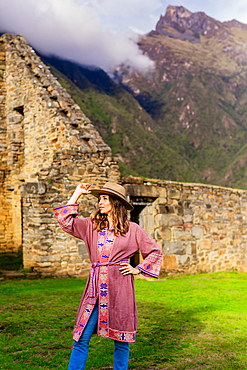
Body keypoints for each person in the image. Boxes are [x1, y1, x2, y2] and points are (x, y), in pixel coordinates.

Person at [53, 182, 162, 370]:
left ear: (115, 202)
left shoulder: (132, 229)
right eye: (99, 199)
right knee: (82, 337)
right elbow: (66, 222)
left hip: (121, 289)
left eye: (104, 198)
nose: (100, 202)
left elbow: (154, 251)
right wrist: (77, 193)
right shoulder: (92, 226)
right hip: (94, 290)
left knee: (121, 340)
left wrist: (138, 269)